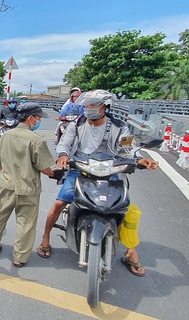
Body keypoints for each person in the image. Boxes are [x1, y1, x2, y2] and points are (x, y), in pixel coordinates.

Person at [37, 89, 159, 276]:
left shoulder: (119, 126)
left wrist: (140, 159)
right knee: (60, 203)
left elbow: (129, 148)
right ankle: (45, 238)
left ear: (105, 107)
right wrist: (62, 155)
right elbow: (64, 143)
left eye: (93, 105)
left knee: (126, 210)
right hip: (81, 169)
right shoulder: (77, 124)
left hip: (110, 170)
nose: (88, 109)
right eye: (86, 105)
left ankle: (131, 251)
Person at [0, 103, 61, 267]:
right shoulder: (36, 140)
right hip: (28, 188)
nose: (39, 120)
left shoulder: (6, 136)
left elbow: (0, 161)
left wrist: (7, 176)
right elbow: (45, 168)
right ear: (31, 118)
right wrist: (55, 174)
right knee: (25, 224)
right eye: (38, 117)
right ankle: (19, 258)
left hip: (7, 185)